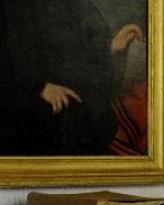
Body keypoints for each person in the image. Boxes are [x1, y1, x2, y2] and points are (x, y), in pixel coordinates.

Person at [0, 0, 143, 155]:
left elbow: (69, 49)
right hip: (25, 98)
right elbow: (12, 55)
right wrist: (39, 86)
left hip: (68, 91)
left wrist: (111, 45)